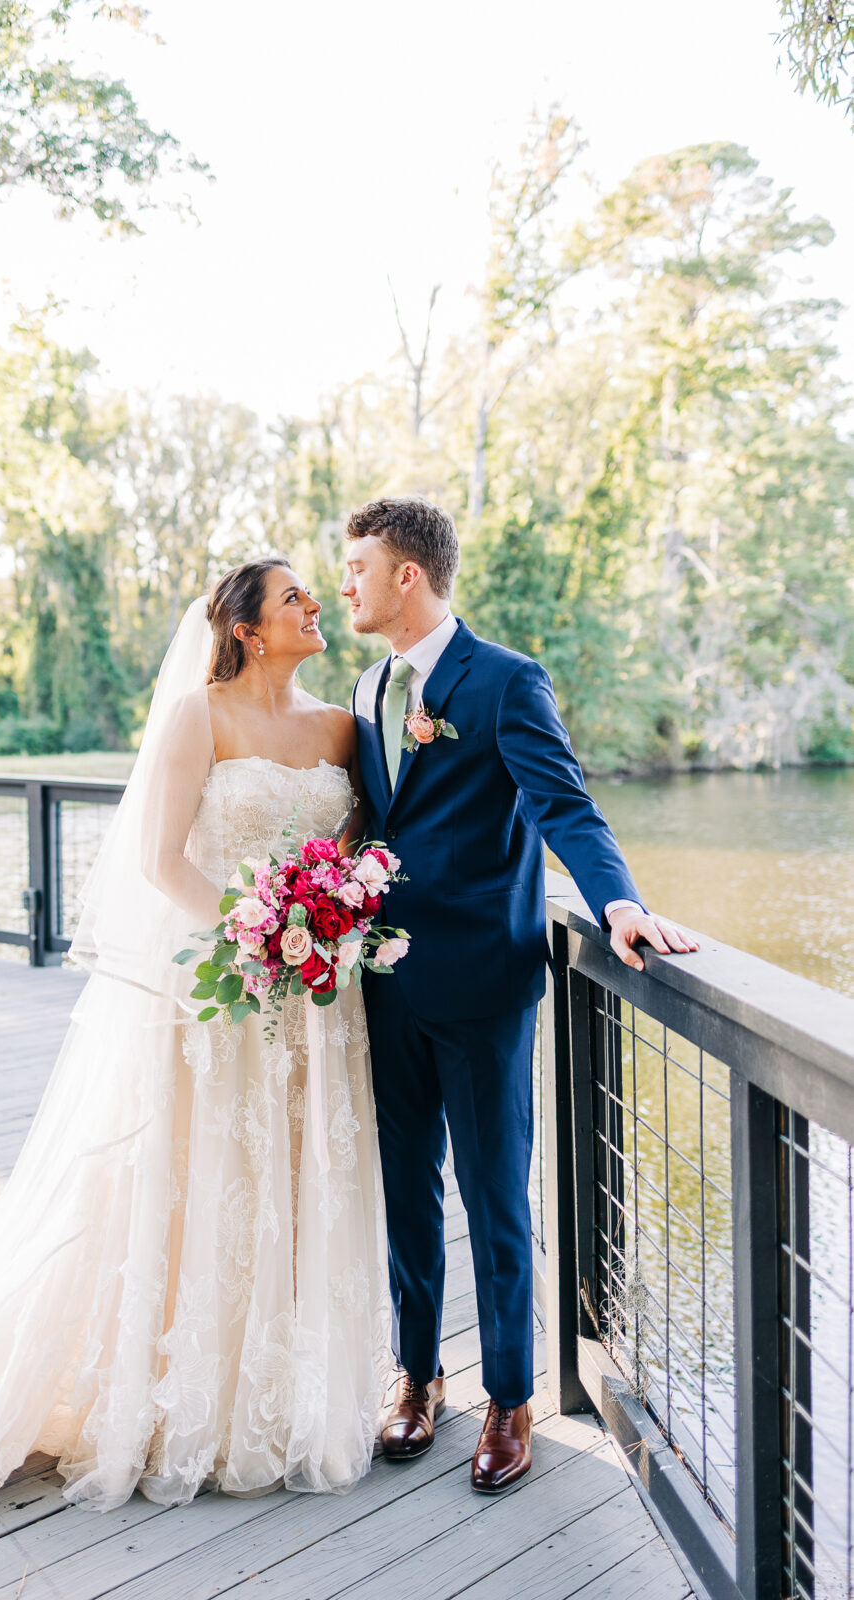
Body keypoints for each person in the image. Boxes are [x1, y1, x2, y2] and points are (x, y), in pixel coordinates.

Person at [0, 559, 392, 1556]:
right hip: (226, 990)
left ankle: (283, 1397)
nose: (314, 605)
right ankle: (178, 1401)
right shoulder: (196, 716)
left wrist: (333, 925)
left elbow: (364, 854)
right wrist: (260, 932)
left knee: (295, 1189)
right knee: (204, 1192)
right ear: (243, 627)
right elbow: (159, 860)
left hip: (322, 1006)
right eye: (293, 598)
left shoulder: (339, 729)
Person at [342, 498, 697, 1493]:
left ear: (406, 575)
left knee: (496, 1198)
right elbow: (375, 822)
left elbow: (562, 805)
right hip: (384, 982)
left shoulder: (502, 681)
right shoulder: (368, 684)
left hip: (486, 983)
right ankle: (416, 1374)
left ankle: (510, 1396)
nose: (346, 585)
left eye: (358, 566)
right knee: (405, 1191)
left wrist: (617, 901)